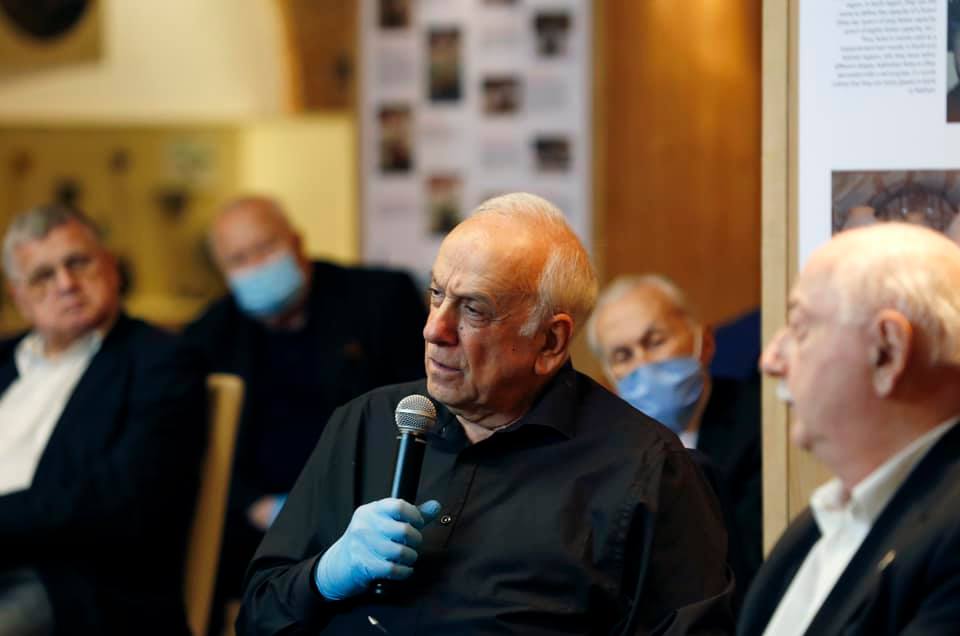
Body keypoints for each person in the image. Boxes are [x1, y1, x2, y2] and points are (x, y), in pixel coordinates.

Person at [237, 193, 734, 635]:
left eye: (473, 309)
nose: (435, 329)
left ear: (550, 341)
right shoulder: (365, 423)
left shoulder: (647, 470)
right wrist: (322, 578)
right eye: (436, 294)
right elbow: (258, 615)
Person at [183, 196, 427, 630]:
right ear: (223, 272)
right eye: (239, 259)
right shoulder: (208, 335)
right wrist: (254, 504)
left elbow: (420, 408)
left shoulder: (381, 300)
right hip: (260, 522)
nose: (255, 265)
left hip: (365, 502)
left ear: (296, 243)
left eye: (265, 247)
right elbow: (199, 448)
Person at [738, 223, 960, 635]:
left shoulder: (950, 535)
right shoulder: (816, 525)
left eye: (799, 328)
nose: (770, 360)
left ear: (888, 351)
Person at [0, 204, 205, 636]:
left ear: (110, 266)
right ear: (19, 296)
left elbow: (122, 498)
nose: (66, 284)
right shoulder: (4, 360)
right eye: (42, 276)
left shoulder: (160, 360)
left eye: (78, 263)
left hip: (75, 585)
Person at [587, 275, 762, 610]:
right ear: (609, 379)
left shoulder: (759, 425)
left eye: (655, 342)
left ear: (704, 342)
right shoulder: (608, 456)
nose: (643, 364)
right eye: (623, 355)